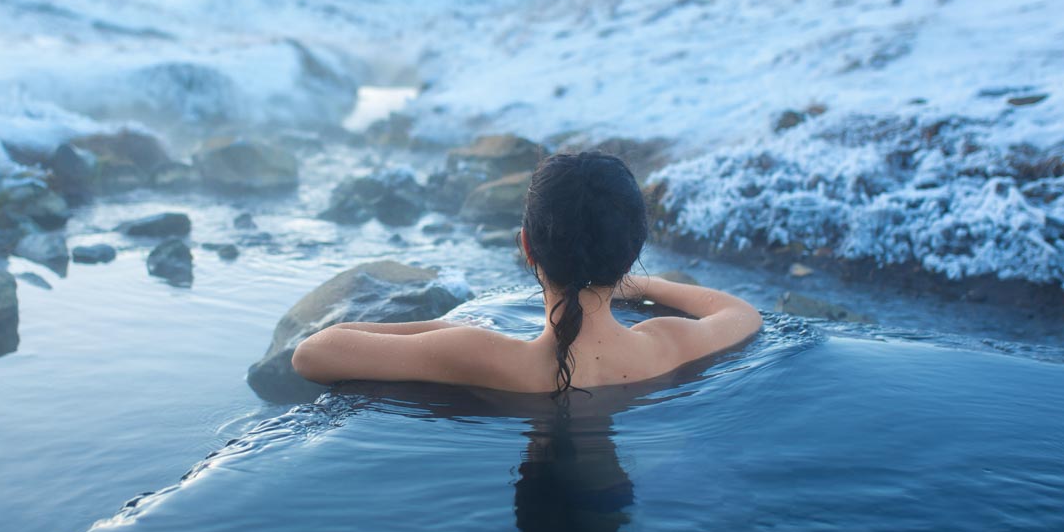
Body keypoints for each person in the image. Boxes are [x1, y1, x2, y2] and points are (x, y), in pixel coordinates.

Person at [291, 150, 763, 397]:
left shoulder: (477, 353)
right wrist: (634, 284)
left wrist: (442, 328)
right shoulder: (668, 343)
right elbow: (741, 313)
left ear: (525, 247)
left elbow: (313, 354)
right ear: (634, 248)